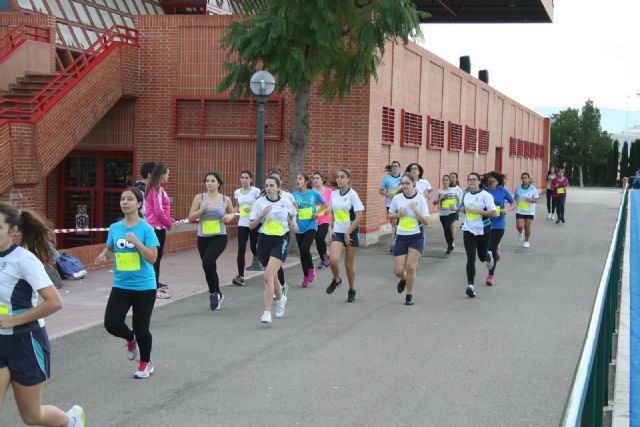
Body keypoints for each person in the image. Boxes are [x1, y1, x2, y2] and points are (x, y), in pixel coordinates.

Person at [0, 202, 85, 427]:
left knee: (32, 416)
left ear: (14, 231)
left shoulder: (24, 260)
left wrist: (12, 320)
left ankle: (71, 421)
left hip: (25, 340)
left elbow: (55, 302)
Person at [96, 187, 160, 379]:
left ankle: (146, 362)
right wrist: (103, 255)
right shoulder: (115, 228)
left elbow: (153, 258)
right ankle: (130, 338)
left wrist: (137, 242)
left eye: (129, 199)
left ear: (139, 204)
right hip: (121, 285)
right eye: (122, 199)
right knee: (111, 323)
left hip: (144, 286)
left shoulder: (146, 228)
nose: (124, 202)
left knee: (142, 328)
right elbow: (110, 249)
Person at [249, 175, 297, 324]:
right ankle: (281, 298)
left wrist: (293, 223)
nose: (268, 188)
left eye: (271, 185)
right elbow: (251, 225)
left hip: (280, 239)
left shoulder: (285, 202)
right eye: (267, 185)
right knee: (273, 276)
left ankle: (267, 312)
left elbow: (293, 213)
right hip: (264, 240)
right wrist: (262, 215)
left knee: (267, 276)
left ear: (278, 188)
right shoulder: (259, 203)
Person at [188, 172, 235, 310]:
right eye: (207, 181)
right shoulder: (199, 197)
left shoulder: (225, 199)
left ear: (219, 183)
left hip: (219, 236)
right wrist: (202, 210)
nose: (209, 183)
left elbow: (233, 213)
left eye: (212, 181)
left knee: (207, 262)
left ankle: (213, 294)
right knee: (210, 266)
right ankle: (216, 292)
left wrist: (229, 217)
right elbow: (191, 217)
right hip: (203, 237)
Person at [388, 173, 429, 305]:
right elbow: (390, 215)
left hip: (416, 236)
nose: (405, 185)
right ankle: (404, 278)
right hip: (401, 236)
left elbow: (426, 221)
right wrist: (397, 214)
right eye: (403, 183)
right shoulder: (397, 198)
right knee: (398, 271)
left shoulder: (420, 199)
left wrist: (416, 210)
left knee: (411, 267)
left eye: (407, 183)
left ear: (413, 184)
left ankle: (409, 295)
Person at [326, 168, 365, 303]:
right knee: (333, 260)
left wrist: (348, 231)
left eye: (342, 177)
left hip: (351, 231)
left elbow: (360, 216)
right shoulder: (334, 194)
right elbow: (330, 212)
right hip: (338, 231)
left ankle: (352, 290)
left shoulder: (353, 195)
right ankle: (337, 280)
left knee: (348, 264)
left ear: (348, 179)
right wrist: (330, 228)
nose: (339, 179)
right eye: (338, 177)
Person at [459, 173, 497, 298]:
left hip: (483, 230)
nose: (471, 182)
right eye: (469, 180)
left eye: (474, 179)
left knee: (481, 256)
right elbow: (464, 208)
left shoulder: (486, 195)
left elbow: (494, 213)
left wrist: (479, 211)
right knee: (471, 257)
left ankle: (489, 256)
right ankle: (470, 285)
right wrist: (457, 208)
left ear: (479, 182)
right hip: (468, 230)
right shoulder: (466, 194)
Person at [144, 163, 174, 299]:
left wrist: (169, 218)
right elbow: (158, 211)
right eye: (167, 173)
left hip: (156, 227)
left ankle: (153, 285)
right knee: (155, 258)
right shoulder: (157, 190)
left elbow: (162, 210)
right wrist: (168, 223)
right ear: (161, 175)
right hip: (156, 228)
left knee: (155, 258)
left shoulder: (157, 189)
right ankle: (153, 288)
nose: (169, 176)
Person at [292, 174, 326, 288]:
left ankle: (311, 270)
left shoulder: (313, 193)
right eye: (297, 178)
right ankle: (306, 276)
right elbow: (290, 209)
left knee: (305, 248)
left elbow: (324, 204)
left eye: (300, 179)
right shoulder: (294, 195)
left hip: (311, 225)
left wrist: (317, 213)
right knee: (302, 253)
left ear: (306, 182)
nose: (297, 180)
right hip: (299, 227)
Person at [483, 171, 515, 286]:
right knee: (484, 249)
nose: (492, 183)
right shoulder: (484, 192)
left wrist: (507, 210)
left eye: (494, 180)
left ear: (498, 181)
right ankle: (496, 250)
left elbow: (513, 203)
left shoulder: (502, 191)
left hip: (499, 224)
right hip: (486, 223)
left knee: (491, 248)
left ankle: (490, 275)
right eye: (490, 180)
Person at [267, 169, 295, 298]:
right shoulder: (264, 196)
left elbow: (295, 211)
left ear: (280, 183)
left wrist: (291, 220)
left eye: (275, 180)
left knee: (276, 262)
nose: (270, 187)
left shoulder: (287, 196)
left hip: (282, 234)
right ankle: (276, 285)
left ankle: (281, 286)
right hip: (267, 234)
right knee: (270, 262)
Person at [232, 170, 261, 286]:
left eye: (246, 178)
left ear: (251, 179)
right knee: (241, 249)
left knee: (254, 249)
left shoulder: (256, 191)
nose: (244, 180)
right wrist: (230, 214)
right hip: (242, 224)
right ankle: (241, 276)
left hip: (254, 223)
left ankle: (269, 267)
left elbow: (261, 204)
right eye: (242, 178)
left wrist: (253, 208)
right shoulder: (237, 192)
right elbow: (237, 207)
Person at [432, 175, 459, 254]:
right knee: (446, 229)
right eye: (443, 180)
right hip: (443, 213)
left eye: (446, 180)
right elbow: (434, 203)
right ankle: (449, 244)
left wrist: (455, 206)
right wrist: (440, 198)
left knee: (448, 226)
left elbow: (458, 200)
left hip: (452, 212)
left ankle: (451, 244)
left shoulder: (454, 190)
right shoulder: (439, 191)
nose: (444, 181)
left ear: (449, 181)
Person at [379, 161, 402, 252]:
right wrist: (388, 194)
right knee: (394, 223)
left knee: (400, 223)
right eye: (393, 166)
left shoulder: (403, 177)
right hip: (390, 203)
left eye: (396, 166)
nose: (394, 168)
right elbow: (381, 191)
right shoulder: (386, 178)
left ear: (399, 167)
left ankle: (400, 242)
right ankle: (393, 243)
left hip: (401, 203)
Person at [312, 171, 333, 270]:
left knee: (320, 238)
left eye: (317, 178)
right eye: (314, 178)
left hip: (324, 219)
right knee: (317, 240)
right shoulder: (311, 191)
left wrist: (330, 209)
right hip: (314, 219)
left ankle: (324, 257)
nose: (315, 180)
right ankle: (324, 258)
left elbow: (333, 203)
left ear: (322, 180)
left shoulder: (329, 191)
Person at [514, 172, 539, 247]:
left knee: (527, 227)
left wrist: (531, 200)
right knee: (519, 226)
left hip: (530, 211)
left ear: (528, 179)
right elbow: (515, 197)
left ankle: (526, 241)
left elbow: (536, 200)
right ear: (521, 179)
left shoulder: (533, 188)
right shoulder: (518, 187)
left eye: (526, 178)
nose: (524, 180)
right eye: (523, 178)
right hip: (520, 209)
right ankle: (520, 232)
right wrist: (516, 200)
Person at [449, 172, 464, 245]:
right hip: (446, 210)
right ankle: (449, 240)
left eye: (453, 177)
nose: (451, 179)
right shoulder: (445, 188)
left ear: (456, 179)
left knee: (453, 225)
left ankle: (452, 242)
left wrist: (457, 209)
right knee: (447, 227)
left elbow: (460, 201)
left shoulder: (458, 189)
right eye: (450, 177)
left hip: (454, 210)